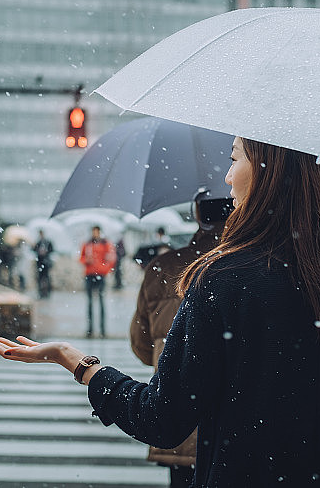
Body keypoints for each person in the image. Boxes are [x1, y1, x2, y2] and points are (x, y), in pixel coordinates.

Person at [0, 137, 320, 486]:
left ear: (269, 172)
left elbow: (162, 419)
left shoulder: (225, 279)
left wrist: (78, 363)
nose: (227, 176)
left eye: (235, 158)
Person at [130, 193, 232, 488]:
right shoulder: (249, 266)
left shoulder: (162, 267)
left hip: (176, 415)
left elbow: (141, 345)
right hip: (231, 421)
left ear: (198, 214)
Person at [79, 226, 117, 338]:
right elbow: (81, 257)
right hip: (90, 274)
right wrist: (87, 260)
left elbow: (111, 258)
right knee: (90, 303)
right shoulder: (87, 244)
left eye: (97, 232)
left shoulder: (105, 244)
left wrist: (104, 269)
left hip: (101, 275)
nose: (95, 234)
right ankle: (90, 329)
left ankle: (102, 330)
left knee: (101, 302)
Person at [33, 229, 54, 298]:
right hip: (39, 262)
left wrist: (46, 251)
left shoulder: (48, 242)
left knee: (47, 277)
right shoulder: (38, 242)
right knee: (40, 278)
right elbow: (33, 250)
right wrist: (37, 249)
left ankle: (48, 292)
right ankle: (40, 292)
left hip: (46, 262)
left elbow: (52, 250)